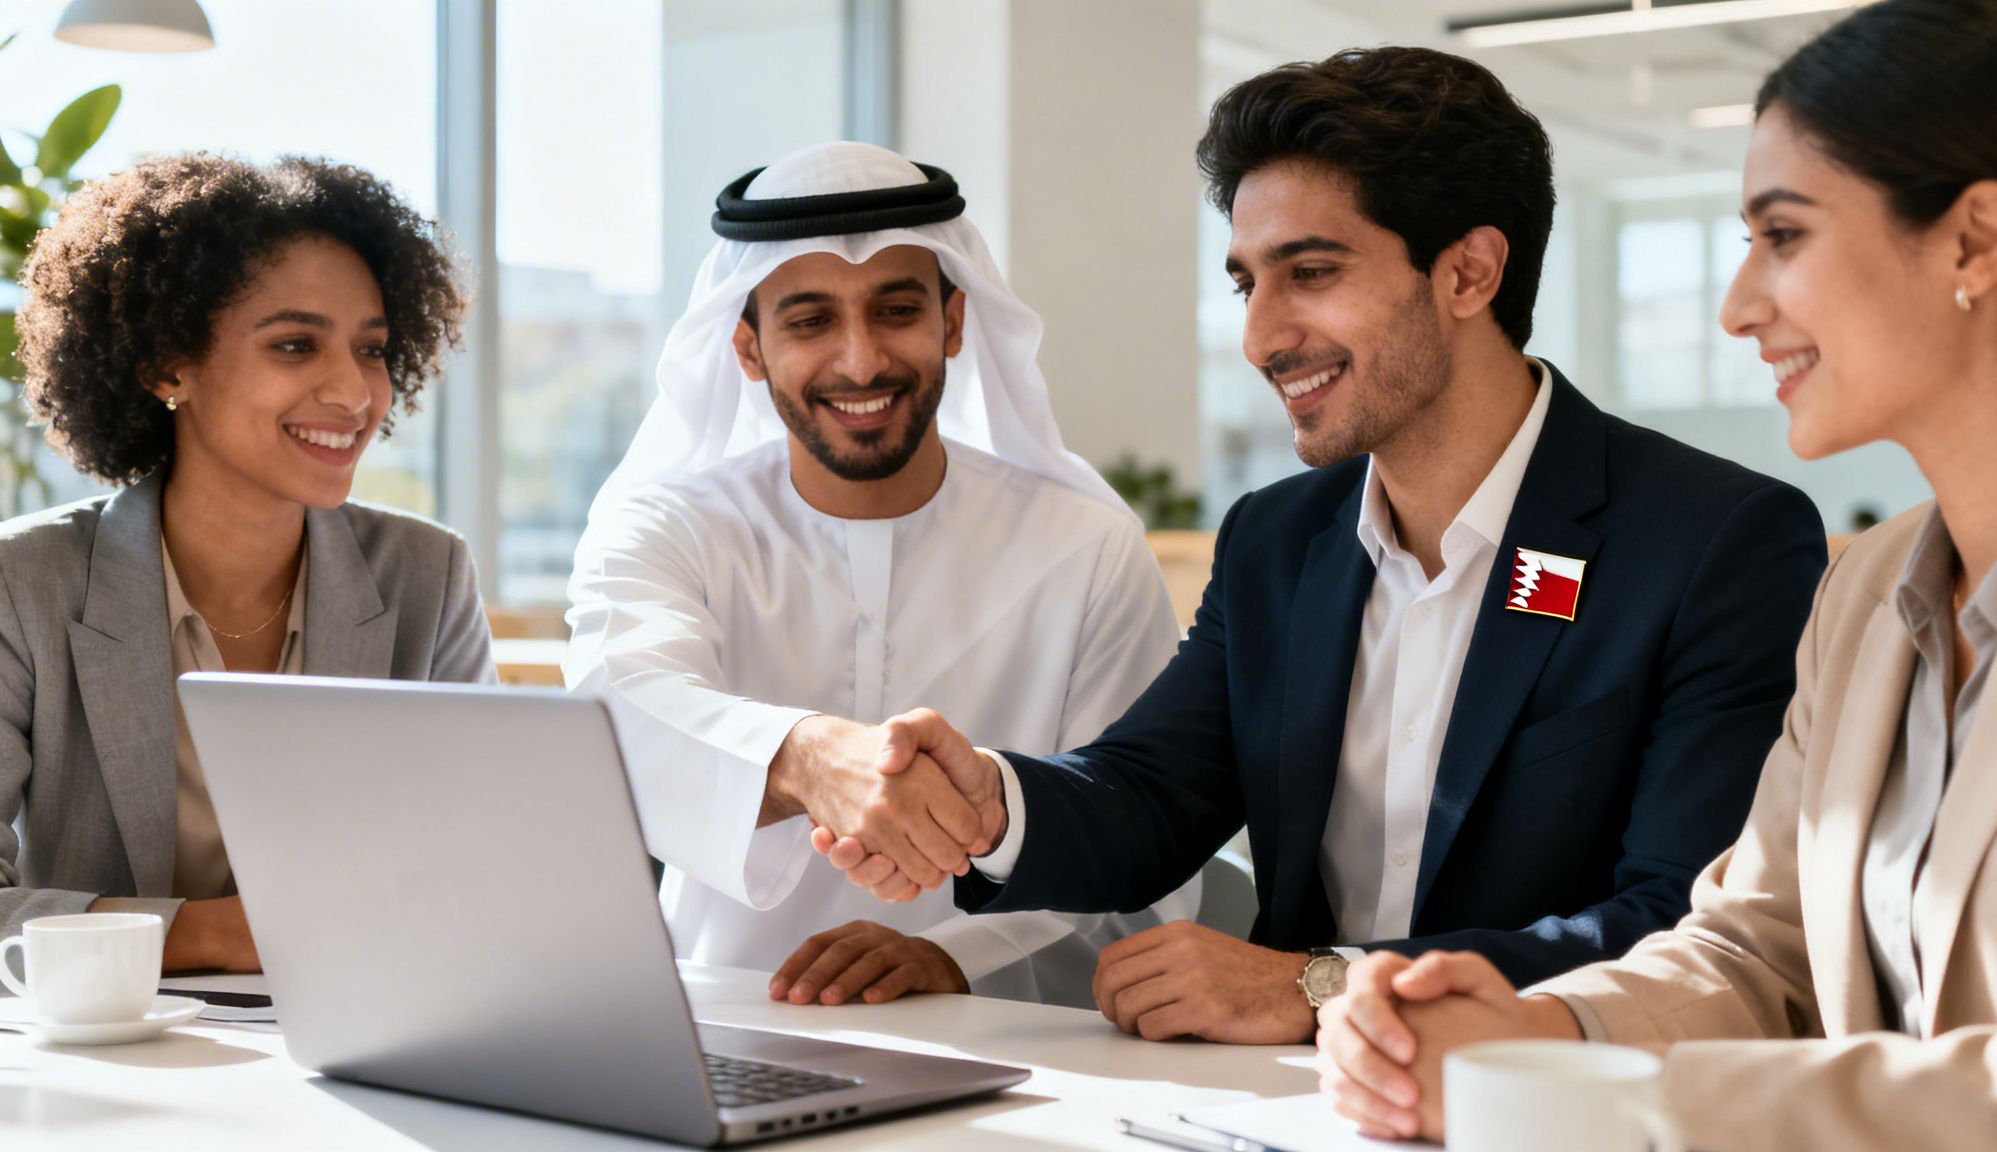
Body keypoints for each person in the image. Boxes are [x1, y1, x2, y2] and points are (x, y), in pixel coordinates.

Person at [816, 47, 1828, 1045]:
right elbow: (1152, 793)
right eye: (1246, 282)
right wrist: (986, 801)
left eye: (1309, 271)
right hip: (1284, 1115)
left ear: (1468, 271)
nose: (1260, 336)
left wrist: (1321, 986)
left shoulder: (1716, 542)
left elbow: (1683, 926)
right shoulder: (1277, 538)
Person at [1314, 2, 1997, 1146]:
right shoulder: (1866, 596)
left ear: (1973, 242)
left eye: (1784, 235)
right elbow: (1758, 948)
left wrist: (1603, 1102)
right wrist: (1529, 1033)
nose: (1737, 305)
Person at [563, 142, 1193, 1009]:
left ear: (955, 323)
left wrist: (955, 955)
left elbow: (1139, 826)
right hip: (720, 1017)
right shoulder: (667, 525)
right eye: (810, 320)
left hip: (1014, 1034)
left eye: (896, 309)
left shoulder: (1086, 544)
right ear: (747, 347)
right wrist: (805, 758)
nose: (860, 362)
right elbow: (617, 715)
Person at [0, 153, 493, 970]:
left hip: (367, 1039)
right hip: (98, 1057)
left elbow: (485, 865)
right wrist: (214, 934)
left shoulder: (426, 574)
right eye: (296, 345)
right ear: (168, 365)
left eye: (371, 350)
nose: (353, 393)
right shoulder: (24, 582)